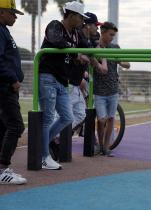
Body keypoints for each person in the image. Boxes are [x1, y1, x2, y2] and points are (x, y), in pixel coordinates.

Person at [39, 1, 91, 170]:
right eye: (80, 17)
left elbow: (88, 47)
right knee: (47, 118)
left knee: (67, 117)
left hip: (62, 81)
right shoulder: (56, 26)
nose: (82, 21)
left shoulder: (76, 34)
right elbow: (57, 41)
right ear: (71, 15)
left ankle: (40, 145)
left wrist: (94, 58)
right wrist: (77, 54)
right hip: (48, 76)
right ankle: (43, 156)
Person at [49, 12, 107, 160]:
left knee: (80, 114)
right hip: (68, 82)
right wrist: (96, 66)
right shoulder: (78, 35)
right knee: (63, 114)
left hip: (74, 82)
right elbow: (78, 55)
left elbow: (90, 55)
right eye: (96, 25)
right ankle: (51, 139)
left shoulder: (84, 39)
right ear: (88, 25)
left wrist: (94, 67)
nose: (97, 29)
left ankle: (55, 137)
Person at [0, 0, 27, 184]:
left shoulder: (4, 30)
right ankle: (3, 169)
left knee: (3, 127)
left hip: (7, 87)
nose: (15, 16)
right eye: (12, 12)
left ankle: (2, 169)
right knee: (16, 126)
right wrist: (13, 78)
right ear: (1, 12)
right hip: (5, 87)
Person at [94, 22, 130, 156]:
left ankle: (106, 147)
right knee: (101, 119)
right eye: (110, 35)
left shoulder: (115, 47)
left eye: (114, 35)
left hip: (113, 90)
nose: (112, 38)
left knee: (110, 119)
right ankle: (100, 144)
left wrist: (120, 61)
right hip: (99, 91)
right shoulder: (95, 47)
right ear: (102, 32)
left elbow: (127, 64)